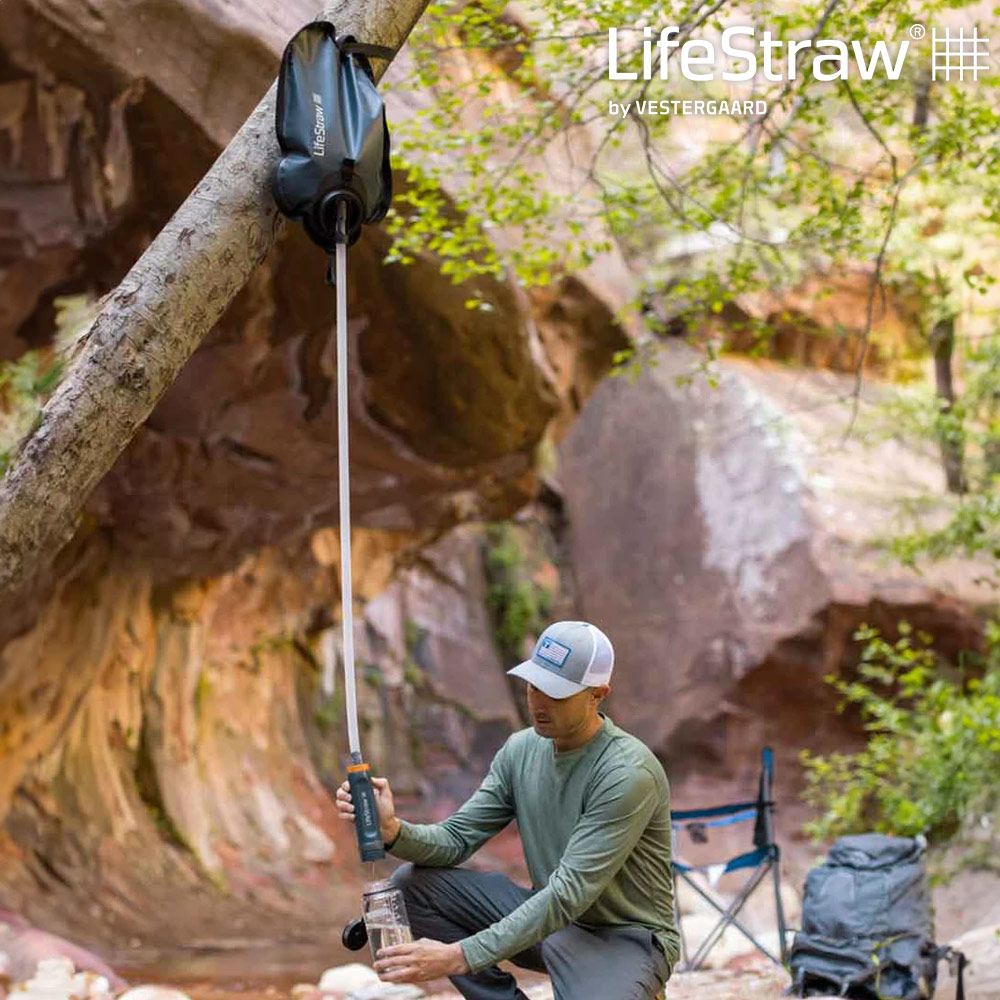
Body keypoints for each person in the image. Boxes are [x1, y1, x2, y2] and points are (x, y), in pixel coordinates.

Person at [336, 620, 679, 1000]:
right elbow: (456, 839)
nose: (538, 702)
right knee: (412, 886)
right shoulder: (521, 750)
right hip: (550, 922)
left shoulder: (627, 773)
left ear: (598, 694)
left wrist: (457, 956)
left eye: (556, 693)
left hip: (623, 939)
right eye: (533, 685)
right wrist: (393, 831)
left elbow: (568, 894)